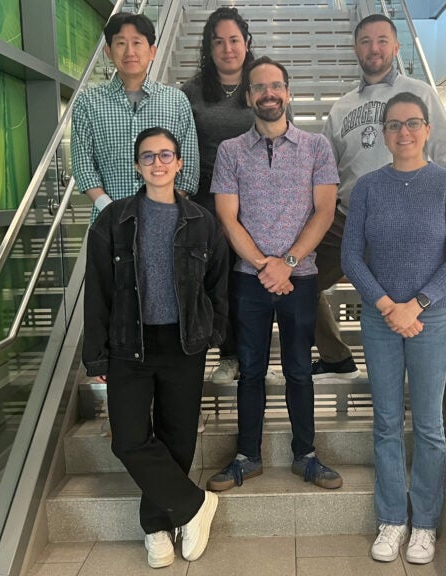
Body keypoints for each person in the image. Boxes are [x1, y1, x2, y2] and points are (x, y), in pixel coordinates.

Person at [313, 13, 446, 381]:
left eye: (382, 40)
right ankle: (335, 355)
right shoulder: (341, 108)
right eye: (365, 41)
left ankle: (417, 375)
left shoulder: (419, 94)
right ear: (356, 49)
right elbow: (323, 171)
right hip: (347, 220)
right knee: (299, 282)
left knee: (406, 293)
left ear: (397, 47)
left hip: (401, 222)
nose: (374, 48)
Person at [82, 127, 226, 568]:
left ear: (180, 163)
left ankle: (158, 527)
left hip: (184, 344)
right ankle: (194, 505)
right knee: (128, 439)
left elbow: (217, 284)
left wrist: (214, 334)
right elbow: (99, 290)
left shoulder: (202, 220)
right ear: (136, 165)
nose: (158, 163)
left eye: (166, 155)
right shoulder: (114, 221)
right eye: (148, 156)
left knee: (177, 437)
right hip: (131, 343)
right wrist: (96, 352)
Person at [341, 92, 446, 565]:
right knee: (385, 421)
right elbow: (351, 255)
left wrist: (415, 305)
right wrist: (386, 305)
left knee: (429, 424)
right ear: (383, 132)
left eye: (413, 123)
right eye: (394, 125)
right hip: (380, 318)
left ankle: (425, 524)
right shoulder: (369, 188)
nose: (404, 133)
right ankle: (392, 519)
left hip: (431, 317)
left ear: (427, 129)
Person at [206, 56, 343, 492]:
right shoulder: (230, 152)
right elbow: (228, 217)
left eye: (276, 86)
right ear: (248, 97)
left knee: (300, 370)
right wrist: (265, 265)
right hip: (249, 279)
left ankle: (306, 455)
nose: (269, 93)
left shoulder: (317, 147)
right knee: (250, 371)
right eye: (259, 87)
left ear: (288, 93)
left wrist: (286, 263)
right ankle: (247, 457)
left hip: (299, 278)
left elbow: (324, 212)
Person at [181, 7, 266, 386]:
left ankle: (246, 354)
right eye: (219, 41)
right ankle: (218, 352)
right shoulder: (193, 90)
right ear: (209, 47)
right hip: (203, 197)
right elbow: (180, 142)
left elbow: (281, 134)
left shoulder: (262, 83)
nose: (227, 48)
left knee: (245, 277)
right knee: (210, 278)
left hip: (254, 198)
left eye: (234, 40)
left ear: (246, 44)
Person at [71, 12, 199, 221]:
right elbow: (83, 165)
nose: (129, 51)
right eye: (121, 43)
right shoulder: (88, 102)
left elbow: (189, 168)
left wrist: (163, 208)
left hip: (166, 220)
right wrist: (110, 209)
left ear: (152, 51)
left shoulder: (176, 101)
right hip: (108, 221)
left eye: (137, 43)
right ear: (108, 52)